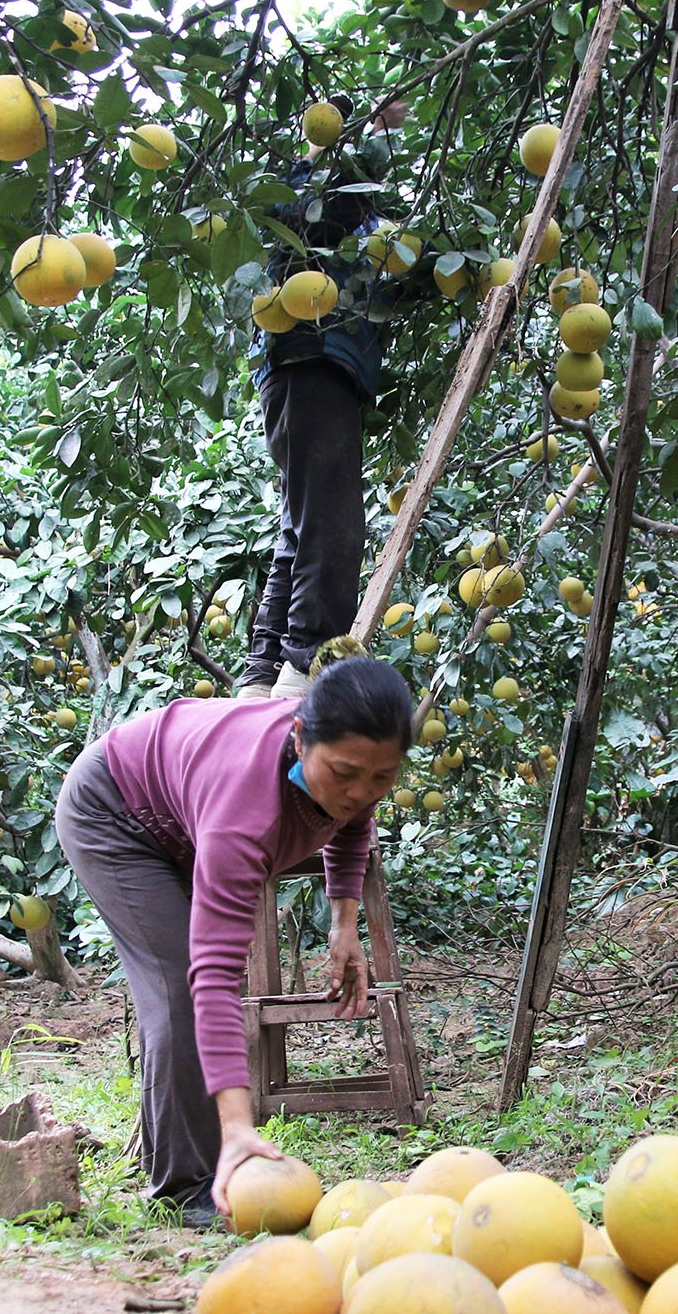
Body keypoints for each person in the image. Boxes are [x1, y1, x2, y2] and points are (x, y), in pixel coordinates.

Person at [53, 645, 413, 1223]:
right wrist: (239, 1128)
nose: (360, 791)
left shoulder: (349, 770)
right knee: (178, 987)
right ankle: (183, 1186)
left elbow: (355, 818)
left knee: (181, 987)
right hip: (113, 811)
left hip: (179, 817)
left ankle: (184, 1158)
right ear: (299, 738)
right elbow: (215, 978)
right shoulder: (247, 812)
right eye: (344, 773)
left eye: (384, 777)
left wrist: (346, 926)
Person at [238, 97, 412, 701]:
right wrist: (368, 132)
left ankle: (263, 676)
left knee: (302, 527)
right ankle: (302, 674)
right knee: (333, 528)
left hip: (312, 374)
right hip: (309, 363)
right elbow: (310, 206)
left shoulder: (358, 228)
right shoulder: (307, 202)